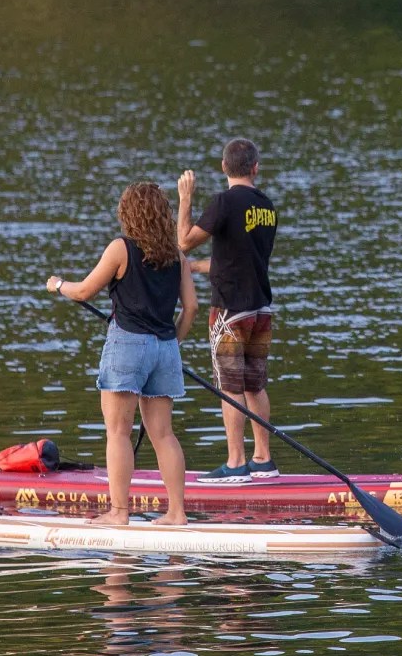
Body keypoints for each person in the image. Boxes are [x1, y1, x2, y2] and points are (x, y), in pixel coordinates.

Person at [48, 182, 197, 525]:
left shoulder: (121, 249)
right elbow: (191, 308)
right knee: (163, 433)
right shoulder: (179, 256)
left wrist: (57, 285)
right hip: (165, 348)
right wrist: (172, 342)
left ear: (128, 215)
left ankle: (118, 513)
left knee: (118, 431)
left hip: (127, 344)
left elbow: (84, 290)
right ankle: (177, 513)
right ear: (163, 214)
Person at [178, 137, 278, 482]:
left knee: (230, 387)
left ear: (224, 167)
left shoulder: (223, 202)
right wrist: (196, 267)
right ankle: (263, 459)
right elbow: (240, 260)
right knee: (255, 385)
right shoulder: (266, 206)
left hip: (230, 311)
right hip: (260, 309)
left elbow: (184, 240)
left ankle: (236, 463)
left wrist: (186, 198)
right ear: (255, 168)